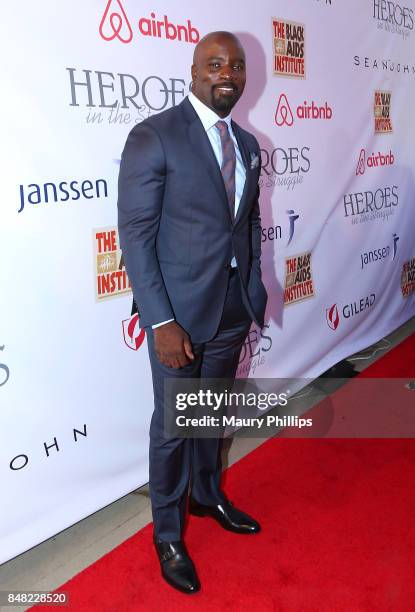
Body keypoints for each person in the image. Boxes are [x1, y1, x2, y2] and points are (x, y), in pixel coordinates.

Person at [117, 31, 268, 594]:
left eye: (235, 65)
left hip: (231, 309)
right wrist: (160, 320)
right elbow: (135, 236)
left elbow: (246, 222)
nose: (226, 73)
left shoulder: (248, 144)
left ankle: (206, 498)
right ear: (193, 70)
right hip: (176, 318)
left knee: (211, 418)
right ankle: (167, 534)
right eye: (214, 64)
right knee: (173, 428)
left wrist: (253, 287)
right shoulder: (154, 136)